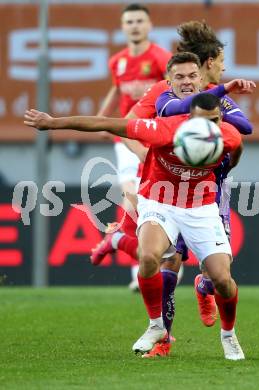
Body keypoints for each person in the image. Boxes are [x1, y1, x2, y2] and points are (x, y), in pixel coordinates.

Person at [24, 93, 244, 361]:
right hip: (159, 202)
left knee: (222, 280)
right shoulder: (164, 129)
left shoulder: (227, 135)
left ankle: (228, 335)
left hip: (201, 208)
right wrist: (53, 123)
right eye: (202, 120)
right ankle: (156, 326)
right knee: (149, 256)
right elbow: (106, 123)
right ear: (189, 118)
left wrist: (229, 165)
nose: (208, 127)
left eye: (215, 120)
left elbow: (238, 148)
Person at [98, 3, 172, 290]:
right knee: (131, 198)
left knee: (150, 198)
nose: (135, 26)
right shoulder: (117, 61)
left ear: (149, 25)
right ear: (123, 26)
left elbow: (171, 91)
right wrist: (105, 120)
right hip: (126, 137)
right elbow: (117, 88)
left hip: (153, 136)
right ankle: (142, 269)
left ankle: (166, 260)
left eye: (140, 21)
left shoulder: (160, 58)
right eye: (129, 21)